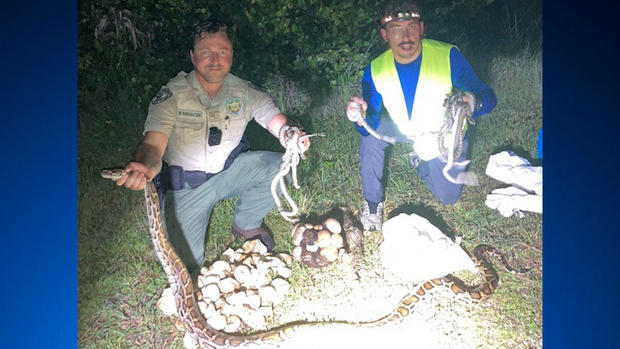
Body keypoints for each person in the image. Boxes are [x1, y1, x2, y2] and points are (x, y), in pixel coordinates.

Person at [113, 20, 310, 275]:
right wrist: (145, 166)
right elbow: (152, 145)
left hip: (227, 173)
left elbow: (274, 118)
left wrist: (290, 135)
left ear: (231, 56)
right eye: (206, 52)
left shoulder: (244, 91)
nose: (215, 59)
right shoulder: (171, 96)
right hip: (186, 188)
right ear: (193, 57)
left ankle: (247, 225)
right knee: (186, 268)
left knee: (277, 166)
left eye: (222, 52)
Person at [347, 1, 497, 231]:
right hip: (403, 128)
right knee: (371, 137)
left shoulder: (447, 55)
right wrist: (361, 118)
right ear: (385, 35)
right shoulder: (375, 69)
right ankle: (373, 203)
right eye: (396, 28)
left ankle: (419, 159)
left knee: (448, 197)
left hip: (441, 134)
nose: (405, 35)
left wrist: (473, 103)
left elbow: (489, 97)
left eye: (411, 26)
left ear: (422, 28)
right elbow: (372, 123)